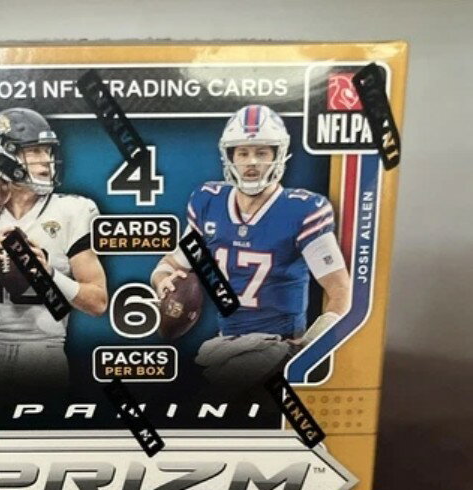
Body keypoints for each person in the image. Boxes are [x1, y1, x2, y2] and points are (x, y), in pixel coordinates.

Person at [150, 104, 351, 391]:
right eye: (243, 153)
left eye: (262, 152)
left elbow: (340, 290)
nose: (252, 162)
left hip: (280, 344)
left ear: (278, 155)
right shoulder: (209, 203)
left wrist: (308, 349)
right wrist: (162, 280)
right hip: (225, 344)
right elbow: (170, 264)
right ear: (229, 156)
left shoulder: (302, 210)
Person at [0, 107, 107, 394]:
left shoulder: (74, 210)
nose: (46, 160)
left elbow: (98, 303)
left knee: (42, 424)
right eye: (35, 151)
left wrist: (49, 274)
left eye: (47, 151)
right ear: (4, 154)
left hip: (45, 354)